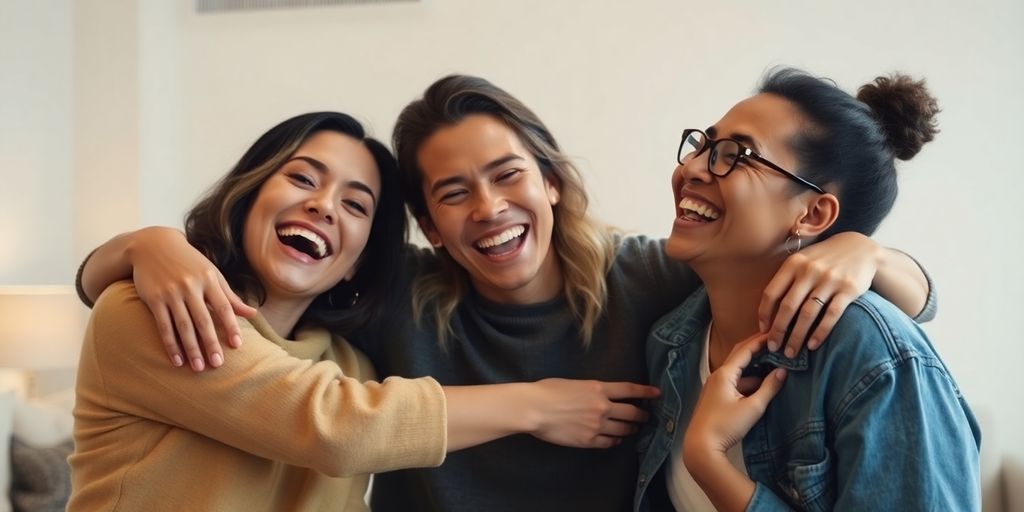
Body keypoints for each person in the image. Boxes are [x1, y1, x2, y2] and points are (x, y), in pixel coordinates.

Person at [76, 77, 937, 512]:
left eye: (507, 175)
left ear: (552, 180)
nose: (487, 210)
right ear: (425, 227)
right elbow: (322, 406)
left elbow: (883, 305)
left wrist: (863, 251)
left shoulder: (652, 276)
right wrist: (143, 245)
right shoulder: (390, 295)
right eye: (451, 195)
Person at [68, 111, 663, 512]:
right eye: (302, 178)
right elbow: (336, 425)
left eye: (356, 204)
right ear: (248, 197)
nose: (325, 206)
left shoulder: (349, 356)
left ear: (358, 259)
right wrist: (144, 242)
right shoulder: (152, 312)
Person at [635, 69, 980, 511]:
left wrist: (710, 463)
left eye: (735, 154)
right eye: (703, 144)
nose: (693, 168)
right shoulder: (670, 343)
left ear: (813, 214)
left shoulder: (871, 352)